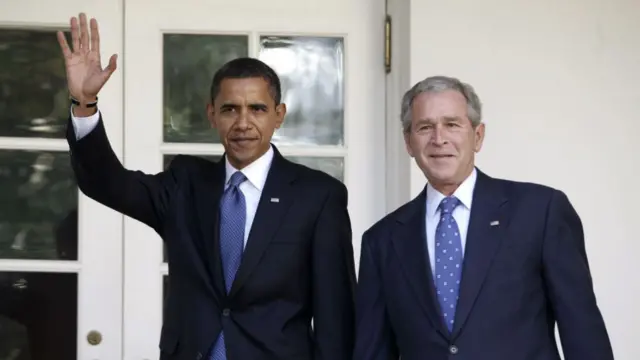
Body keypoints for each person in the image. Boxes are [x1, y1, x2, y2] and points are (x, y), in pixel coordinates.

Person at [57, 13, 356, 360]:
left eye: (257, 109)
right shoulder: (185, 183)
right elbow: (106, 183)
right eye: (230, 109)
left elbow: (337, 320)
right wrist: (84, 104)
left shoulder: (318, 197)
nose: (243, 123)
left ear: (279, 115)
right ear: (212, 114)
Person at [353, 75, 614, 359]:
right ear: (408, 142)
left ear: (477, 136)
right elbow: (373, 351)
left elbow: (582, 331)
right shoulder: (381, 240)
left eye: (452, 124)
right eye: (425, 127)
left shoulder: (540, 212)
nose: (439, 139)